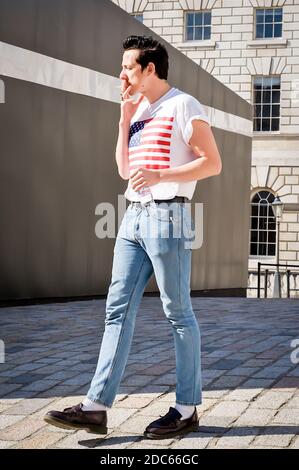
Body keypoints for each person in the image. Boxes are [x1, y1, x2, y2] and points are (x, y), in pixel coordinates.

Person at [44, 35, 222, 439]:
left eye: (127, 66)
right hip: (133, 217)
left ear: (149, 70)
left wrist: (162, 175)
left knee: (178, 312)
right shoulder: (139, 109)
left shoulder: (183, 105)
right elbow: (125, 171)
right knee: (116, 310)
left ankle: (187, 406)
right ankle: (96, 407)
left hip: (169, 216)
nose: (121, 73)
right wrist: (124, 119)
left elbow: (212, 163)